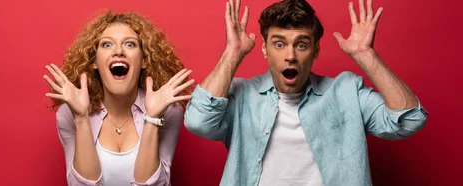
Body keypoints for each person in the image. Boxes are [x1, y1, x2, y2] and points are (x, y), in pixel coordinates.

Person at [184, 0, 428, 185]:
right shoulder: (242, 94)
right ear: (265, 49)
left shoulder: (346, 92)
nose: (290, 55)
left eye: (301, 44)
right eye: (279, 44)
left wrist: (366, 55)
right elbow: (198, 121)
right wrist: (233, 52)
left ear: (315, 50)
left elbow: (409, 120)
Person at [43, 10, 194, 186]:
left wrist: (153, 119)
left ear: (144, 60)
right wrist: (81, 119)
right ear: (94, 61)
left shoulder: (167, 111)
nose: (119, 51)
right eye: (107, 45)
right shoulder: (69, 113)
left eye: (130, 44)